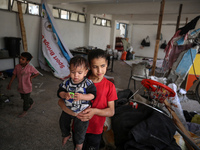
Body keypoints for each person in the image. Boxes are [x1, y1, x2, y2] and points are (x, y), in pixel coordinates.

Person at [58, 49, 118, 150]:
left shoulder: (110, 86)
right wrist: (73, 113)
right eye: (95, 67)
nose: (99, 71)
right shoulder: (78, 80)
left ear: (107, 64)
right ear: (89, 66)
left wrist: (94, 111)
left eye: (102, 66)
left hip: (95, 130)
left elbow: (111, 111)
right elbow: (60, 101)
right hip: (77, 127)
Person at [57, 55, 96, 150]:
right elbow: (59, 92)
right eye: (73, 72)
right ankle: (66, 135)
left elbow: (93, 95)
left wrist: (83, 96)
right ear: (69, 70)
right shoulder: (66, 82)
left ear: (86, 72)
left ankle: (79, 144)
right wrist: (64, 94)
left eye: (79, 72)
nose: (76, 75)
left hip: (82, 111)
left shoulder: (88, 83)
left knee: (80, 129)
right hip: (67, 109)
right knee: (62, 122)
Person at [7, 52, 39, 118]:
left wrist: (31, 77)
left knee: (25, 101)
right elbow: (14, 75)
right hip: (20, 86)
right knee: (23, 97)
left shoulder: (30, 67)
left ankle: (25, 111)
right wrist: (10, 83)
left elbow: (37, 73)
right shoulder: (17, 67)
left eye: (23, 59)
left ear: (28, 61)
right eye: (20, 58)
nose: (20, 60)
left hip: (27, 86)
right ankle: (32, 102)